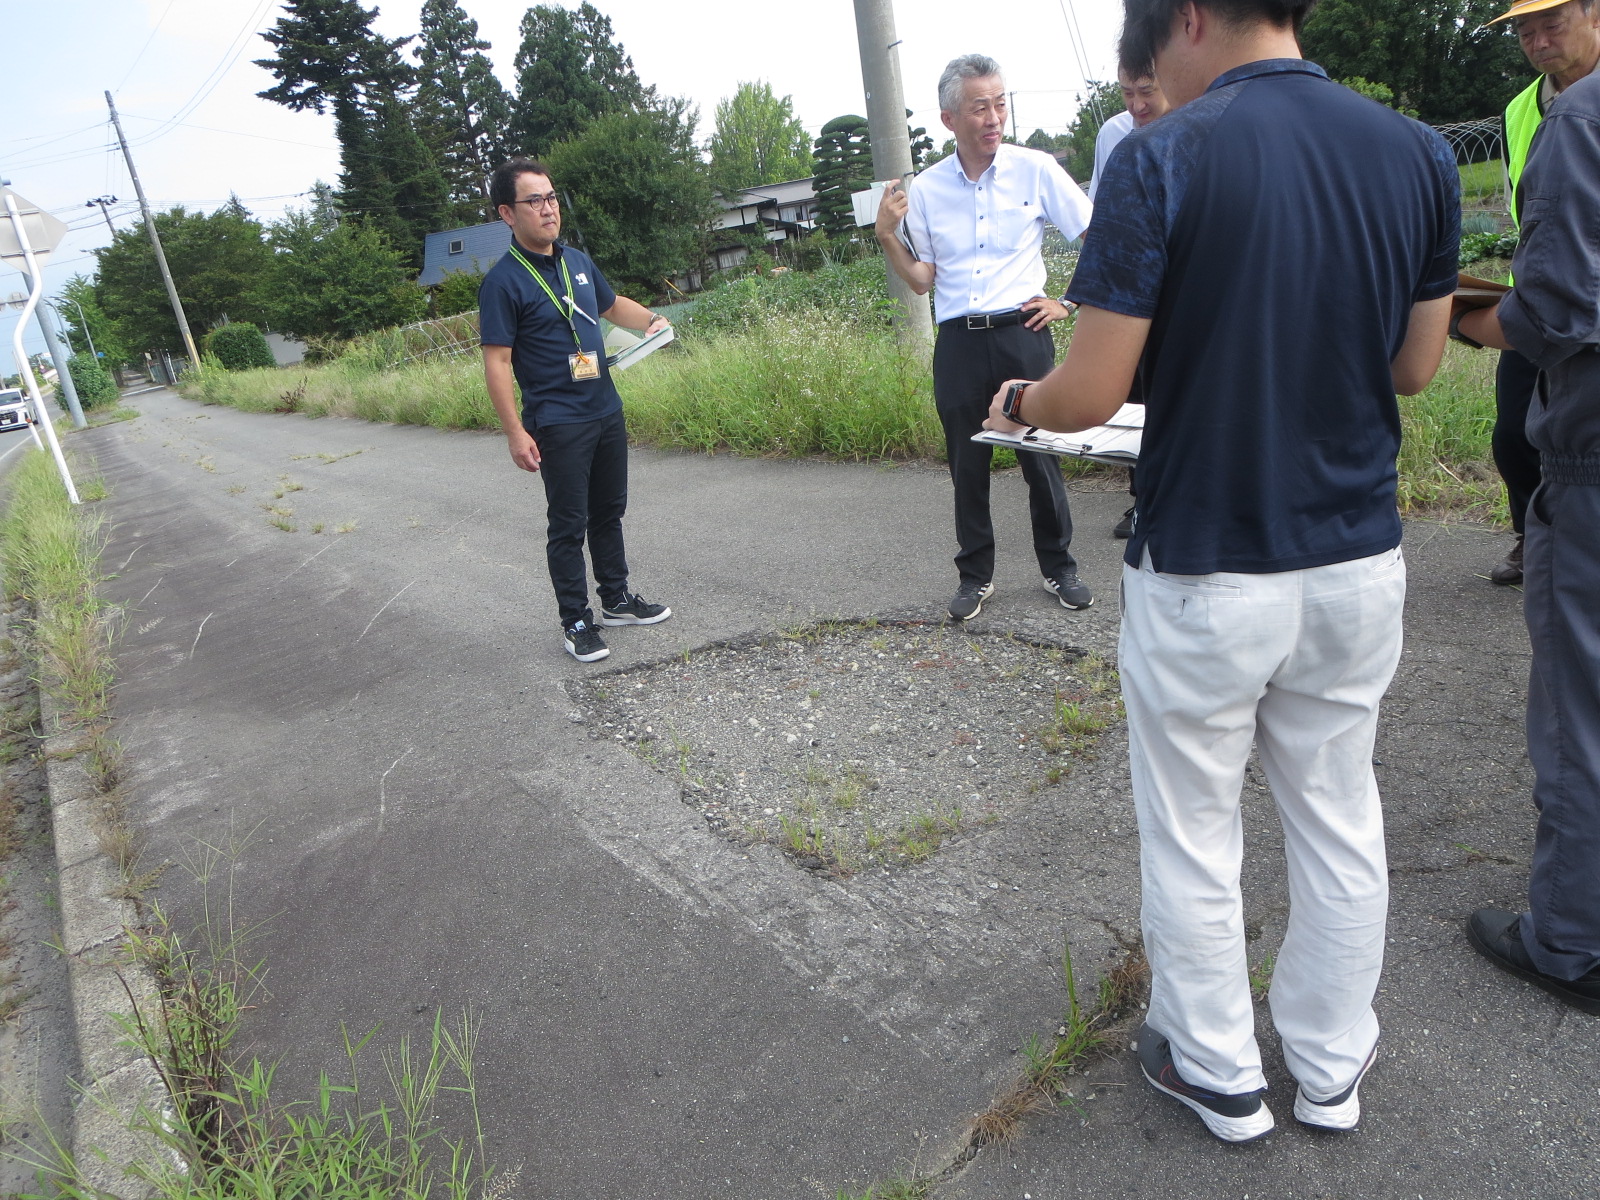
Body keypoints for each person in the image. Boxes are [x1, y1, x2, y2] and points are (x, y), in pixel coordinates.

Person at [986, 0, 1458, 1140]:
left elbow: (1090, 393)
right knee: (1339, 810)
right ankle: (1331, 1067)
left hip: (1206, 560)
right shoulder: (1417, 153)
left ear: (1187, 15)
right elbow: (1415, 366)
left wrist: (1021, 403)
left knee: (1195, 828)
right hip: (1354, 553)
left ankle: (1217, 1071)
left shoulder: (1162, 156)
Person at [1449, 71, 1600, 1016]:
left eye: (1555, 13)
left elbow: (1550, 312)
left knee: (1578, 713)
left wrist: (1456, 318)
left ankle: (1573, 942)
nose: (1539, 36)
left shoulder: (1577, 121)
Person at [875, 53, 1094, 622]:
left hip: (1024, 333)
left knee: (1040, 455)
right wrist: (886, 236)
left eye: (1000, 103)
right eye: (980, 107)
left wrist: (1067, 301)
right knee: (965, 462)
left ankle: (1060, 566)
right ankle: (975, 576)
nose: (994, 116)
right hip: (959, 341)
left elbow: (1097, 233)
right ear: (950, 119)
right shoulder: (924, 190)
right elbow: (922, 280)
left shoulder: (1036, 168)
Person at [479, 157, 672, 663]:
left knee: (609, 511)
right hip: (557, 421)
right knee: (568, 523)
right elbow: (497, 363)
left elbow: (612, 307)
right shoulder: (503, 283)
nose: (548, 209)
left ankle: (616, 600)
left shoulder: (577, 262)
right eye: (534, 200)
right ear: (507, 213)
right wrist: (515, 432)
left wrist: (652, 320)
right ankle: (576, 620)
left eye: (552, 197)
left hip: (605, 407)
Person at [1482, 0, 1600, 584]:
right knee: (1513, 432)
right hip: (1535, 292)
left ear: (1594, 16)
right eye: (1525, 32)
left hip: (1590, 295)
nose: (1537, 41)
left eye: (1551, 25)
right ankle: (1533, 534)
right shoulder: (1519, 109)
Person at [1087, 63, 1173, 539]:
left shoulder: (1196, 124)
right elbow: (1102, 213)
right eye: (1126, 93)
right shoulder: (1114, 133)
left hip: (1181, 290)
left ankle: (1171, 494)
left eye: (1147, 92)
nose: (1136, 105)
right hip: (1135, 290)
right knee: (1137, 395)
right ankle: (1141, 500)